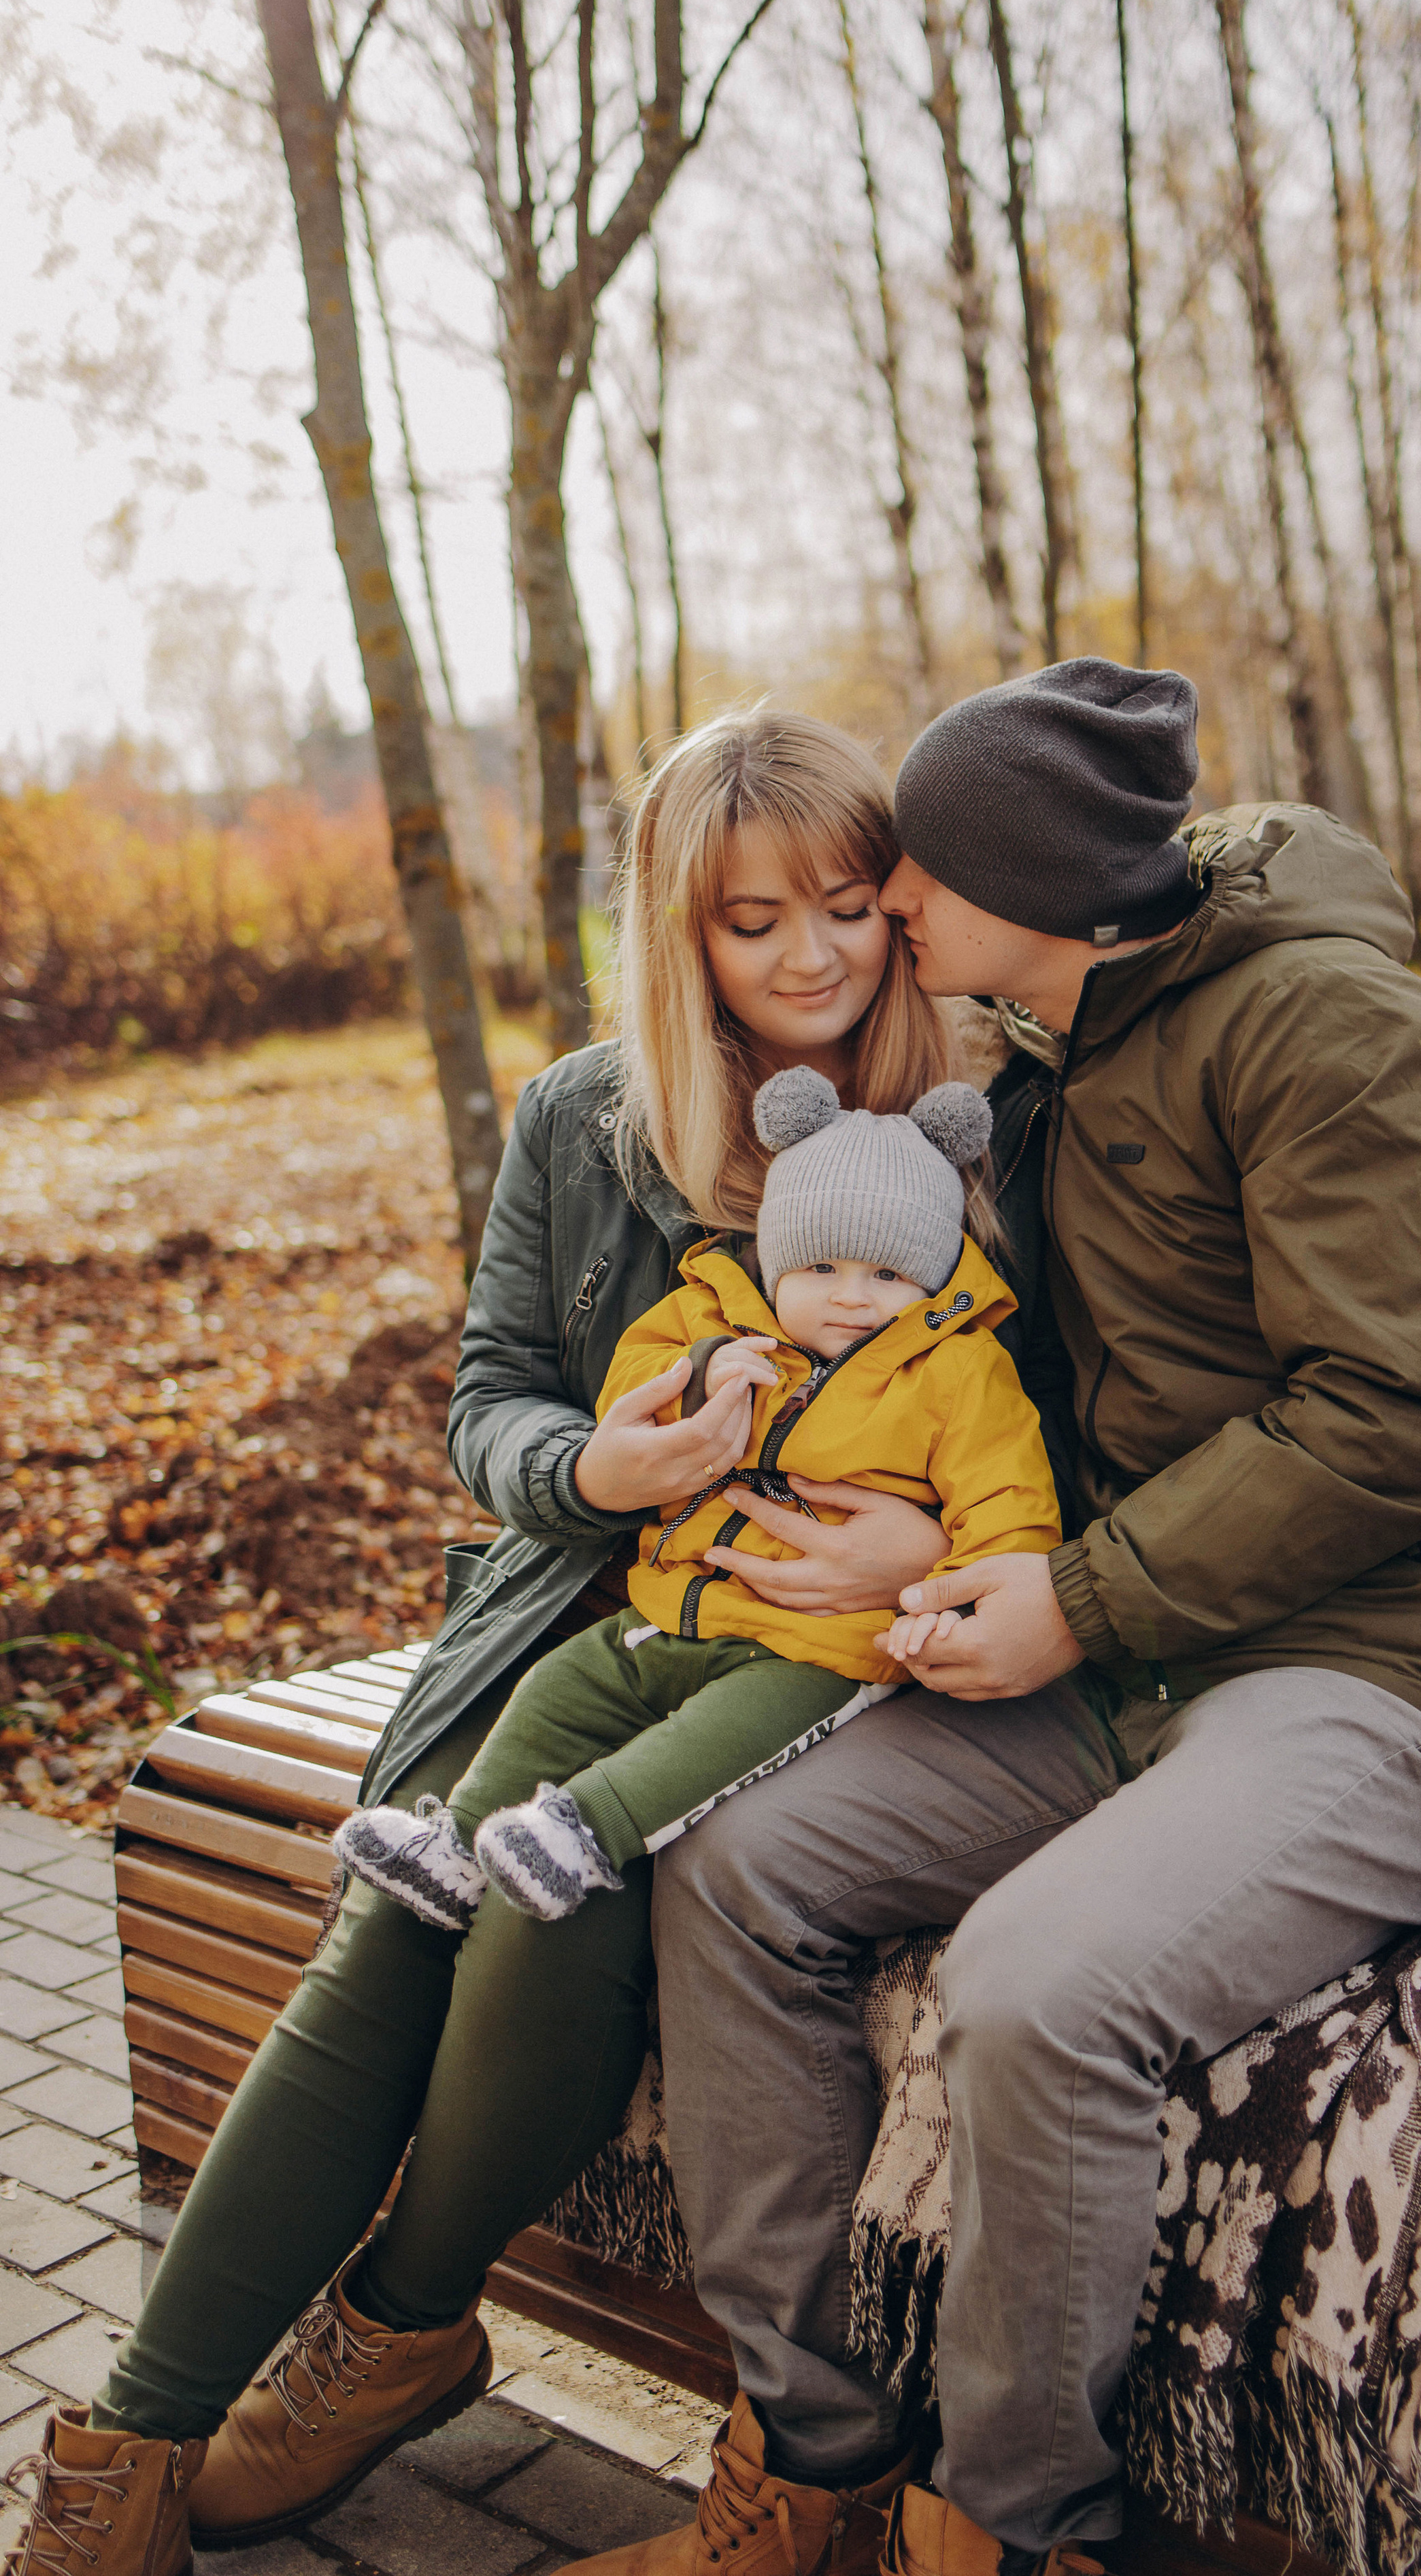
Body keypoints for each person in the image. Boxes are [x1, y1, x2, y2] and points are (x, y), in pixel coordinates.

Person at [5, 709, 1120, 2576]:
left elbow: (1084, 1423)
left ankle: (396, 2329)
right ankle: (128, 2446)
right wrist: (599, 1462)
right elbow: (490, 1405)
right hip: (585, 1626)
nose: (811, 959)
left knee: (538, 1908)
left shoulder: (999, 1110)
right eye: (753, 923)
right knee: (399, 1935)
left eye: (847, 907)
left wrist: (943, 1540)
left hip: (843, 1662)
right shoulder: (585, 1121)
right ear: (683, 936)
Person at [577, 661, 1421, 2576]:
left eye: (910, 880)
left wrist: (1079, 1596)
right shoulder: (1059, 1055)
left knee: (1035, 1986)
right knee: (736, 1870)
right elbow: (978, 1363)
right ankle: (820, 2458)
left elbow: (1410, 1413)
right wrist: (901, 1538)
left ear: (1027, 879)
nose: (883, 917)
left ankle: (1009, 2524)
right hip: (1139, 1652)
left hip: (1389, 1678)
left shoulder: (1319, 1031)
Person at [333, 1067, 1060, 1931]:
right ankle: (454, 1847)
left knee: (716, 1740)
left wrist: (959, 1602)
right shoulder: (717, 1314)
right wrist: (705, 1371)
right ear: (779, 1258)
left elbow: (1007, 1498)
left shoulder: (957, 1369)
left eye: (887, 1274)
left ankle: (585, 1835)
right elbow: (631, 1378)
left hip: (816, 1649)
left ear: (932, 1278)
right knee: (559, 1687)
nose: (852, 1296)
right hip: (677, 1608)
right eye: (821, 1264)